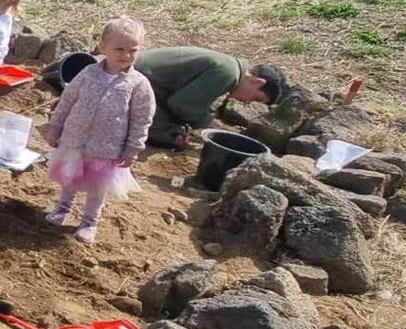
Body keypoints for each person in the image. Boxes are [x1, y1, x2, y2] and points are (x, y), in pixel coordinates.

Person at [43, 17, 155, 244]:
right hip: (74, 139)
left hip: (106, 148)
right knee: (69, 177)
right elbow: (67, 101)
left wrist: (132, 148)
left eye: (132, 50)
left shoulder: (138, 84)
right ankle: (62, 209)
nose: (125, 55)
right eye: (119, 49)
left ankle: (89, 222)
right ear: (103, 46)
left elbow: (142, 118)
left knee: (97, 187)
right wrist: (55, 128)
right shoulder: (88, 73)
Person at [133, 46, 286, 149]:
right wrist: (210, 124)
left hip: (147, 82)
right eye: (256, 98)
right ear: (257, 81)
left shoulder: (230, 67)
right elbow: (182, 105)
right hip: (135, 81)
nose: (247, 103)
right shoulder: (228, 74)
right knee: (169, 136)